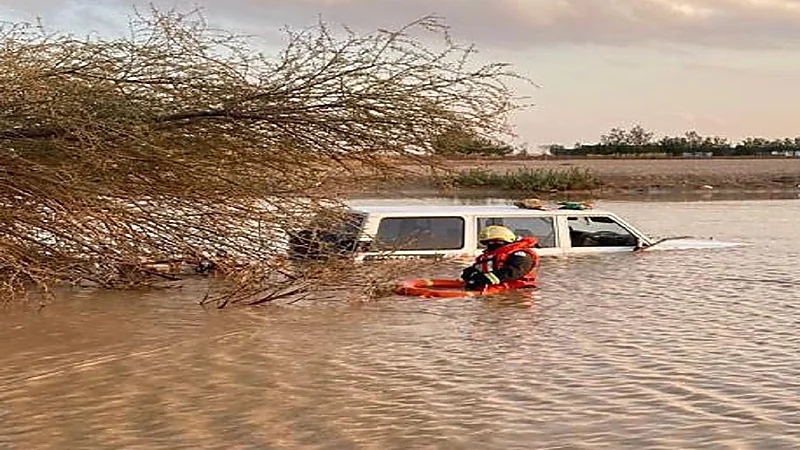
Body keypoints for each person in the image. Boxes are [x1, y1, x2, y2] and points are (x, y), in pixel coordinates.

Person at [460, 225, 540, 291]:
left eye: (495, 242)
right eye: (488, 242)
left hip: (518, 290)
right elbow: (480, 267)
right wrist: (470, 273)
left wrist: (483, 279)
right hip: (496, 288)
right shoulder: (488, 256)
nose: (491, 244)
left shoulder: (521, 255)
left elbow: (512, 272)